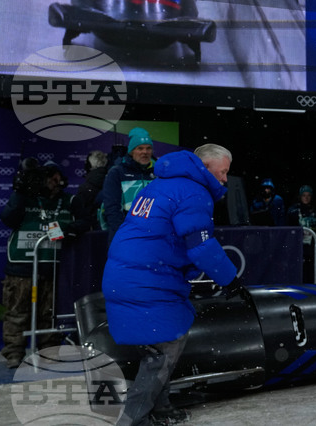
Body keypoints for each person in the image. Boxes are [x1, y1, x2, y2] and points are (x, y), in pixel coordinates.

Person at [102, 144, 248, 426]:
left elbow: (164, 236)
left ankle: (161, 408)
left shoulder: (160, 185)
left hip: (130, 274)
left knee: (166, 340)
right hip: (147, 277)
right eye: (224, 171)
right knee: (164, 348)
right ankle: (133, 419)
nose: (226, 179)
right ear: (206, 167)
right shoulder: (193, 192)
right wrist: (230, 279)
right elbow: (200, 245)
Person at [0, 159, 82, 368]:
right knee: (17, 313)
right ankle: (14, 353)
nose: (52, 182)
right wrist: (19, 190)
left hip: (53, 268)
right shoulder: (25, 198)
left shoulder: (70, 200)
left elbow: (85, 221)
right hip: (22, 267)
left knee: (49, 314)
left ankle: (48, 351)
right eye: (47, 177)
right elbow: (7, 218)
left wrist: (67, 229)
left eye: (56, 177)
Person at [102, 127, 155, 241]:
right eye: (140, 148)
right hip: (125, 234)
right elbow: (112, 208)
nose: (145, 152)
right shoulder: (117, 172)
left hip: (154, 236)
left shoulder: (159, 173)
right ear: (132, 151)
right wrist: (122, 234)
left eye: (148, 148)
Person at [71, 150, 109, 233]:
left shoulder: (85, 187)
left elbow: (81, 216)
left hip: (91, 233)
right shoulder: (113, 181)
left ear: (89, 165)